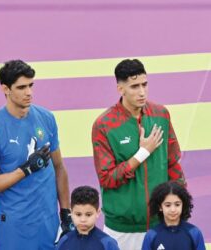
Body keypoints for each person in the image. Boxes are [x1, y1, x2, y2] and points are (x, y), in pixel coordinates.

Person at [91, 59, 186, 250]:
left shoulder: (161, 114)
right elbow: (107, 178)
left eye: (145, 84)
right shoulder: (104, 125)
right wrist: (142, 153)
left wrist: (180, 207)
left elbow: (172, 164)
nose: (142, 92)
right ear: (120, 88)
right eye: (134, 86)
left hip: (161, 224)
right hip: (123, 230)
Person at [0, 59, 72, 250]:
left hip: (48, 221)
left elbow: (59, 167)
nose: (29, 92)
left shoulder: (46, 118)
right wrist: (26, 169)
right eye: (21, 87)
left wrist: (65, 211)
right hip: (14, 226)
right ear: (5, 89)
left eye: (31, 85)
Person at [142, 181, 206, 250]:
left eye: (177, 204)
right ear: (160, 207)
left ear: (183, 205)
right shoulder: (151, 235)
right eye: (168, 205)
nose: (173, 209)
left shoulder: (194, 233)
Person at [56, 186, 119, 250]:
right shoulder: (64, 241)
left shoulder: (107, 244)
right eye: (78, 214)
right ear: (71, 212)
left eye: (88, 215)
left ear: (98, 212)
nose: (83, 220)